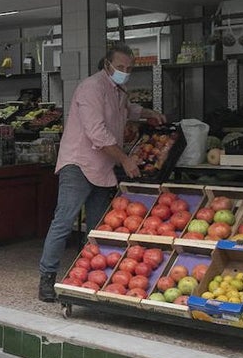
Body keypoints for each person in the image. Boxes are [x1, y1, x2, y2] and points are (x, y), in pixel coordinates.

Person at [37, 44, 165, 302]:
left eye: (129, 69)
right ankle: (46, 278)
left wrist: (149, 114)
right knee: (63, 222)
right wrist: (125, 159)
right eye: (120, 67)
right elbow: (97, 132)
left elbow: (127, 109)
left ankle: (86, 276)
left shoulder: (118, 90)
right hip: (79, 164)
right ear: (107, 65)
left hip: (103, 167)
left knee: (97, 228)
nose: (124, 72)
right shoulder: (91, 89)